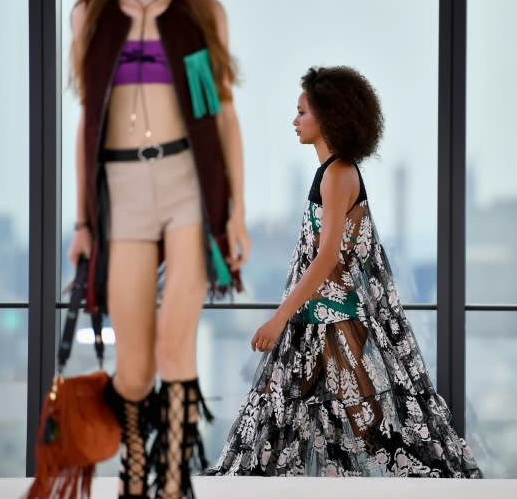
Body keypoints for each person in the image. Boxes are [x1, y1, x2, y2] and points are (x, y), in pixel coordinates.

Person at [205, 66, 482, 478]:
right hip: (317, 322)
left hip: (337, 323)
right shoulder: (331, 172)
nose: (294, 120)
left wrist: (280, 317)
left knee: (368, 431)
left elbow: (328, 256)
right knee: (275, 418)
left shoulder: (337, 175)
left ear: (328, 117)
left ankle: (439, 483)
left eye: (302, 112)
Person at [67, 0, 250, 497]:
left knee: (175, 350)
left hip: (187, 186)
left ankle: (171, 485)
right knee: (134, 371)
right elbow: (86, 122)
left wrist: (237, 212)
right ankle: (133, 470)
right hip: (122, 192)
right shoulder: (90, 15)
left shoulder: (204, 13)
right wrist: (82, 223)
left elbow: (225, 115)